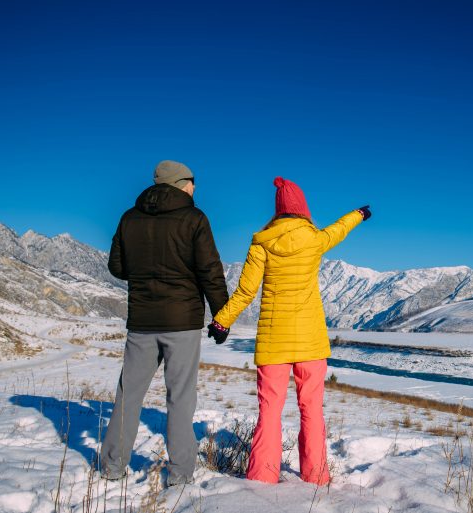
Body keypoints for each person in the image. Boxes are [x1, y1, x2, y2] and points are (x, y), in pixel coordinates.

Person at [208, 176, 370, 485]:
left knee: (269, 412)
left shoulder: (261, 243)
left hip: (273, 343)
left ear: (278, 210)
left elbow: (245, 292)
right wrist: (359, 215)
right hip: (311, 343)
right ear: (303, 209)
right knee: (312, 411)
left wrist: (222, 321)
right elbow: (340, 228)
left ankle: (261, 477)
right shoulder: (315, 239)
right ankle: (316, 476)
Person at [101, 160, 229, 486]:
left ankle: (112, 468)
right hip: (182, 322)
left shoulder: (129, 218)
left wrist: (144, 271)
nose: (195, 187)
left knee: (129, 395)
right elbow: (210, 271)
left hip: (142, 321)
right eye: (192, 182)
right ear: (180, 184)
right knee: (180, 398)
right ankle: (180, 475)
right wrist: (222, 316)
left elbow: (117, 267)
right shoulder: (194, 218)